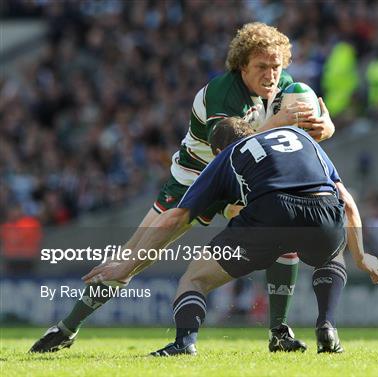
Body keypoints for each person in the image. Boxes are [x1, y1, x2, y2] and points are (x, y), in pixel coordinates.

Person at [29, 22, 335, 354]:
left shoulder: (286, 87)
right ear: (242, 66)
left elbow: (321, 126)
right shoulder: (221, 92)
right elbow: (233, 146)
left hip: (242, 181)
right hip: (195, 179)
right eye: (262, 67)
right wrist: (281, 122)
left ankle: (279, 331)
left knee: (282, 235)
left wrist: (325, 125)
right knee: (134, 256)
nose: (271, 75)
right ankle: (69, 326)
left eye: (276, 66)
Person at [81, 118, 378, 355]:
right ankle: (326, 325)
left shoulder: (225, 158)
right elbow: (347, 200)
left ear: (216, 151)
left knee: (194, 279)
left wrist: (125, 266)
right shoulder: (299, 136)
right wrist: (361, 256)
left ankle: (185, 342)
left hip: (270, 210)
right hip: (324, 207)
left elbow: (174, 218)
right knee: (331, 255)